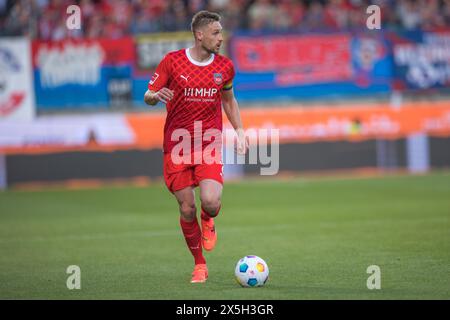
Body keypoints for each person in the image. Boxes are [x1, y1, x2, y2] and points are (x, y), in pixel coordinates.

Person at [144, 10, 247, 283]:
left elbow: (228, 101)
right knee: (186, 208)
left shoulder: (224, 67)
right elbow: (148, 94)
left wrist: (240, 131)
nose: (220, 38)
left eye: (221, 32)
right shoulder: (173, 62)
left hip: (208, 142)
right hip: (177, 146)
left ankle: (208, 218)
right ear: (199, 35)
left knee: (211, 203)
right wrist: (155, 96)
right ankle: (199, 264)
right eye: (215, 33)